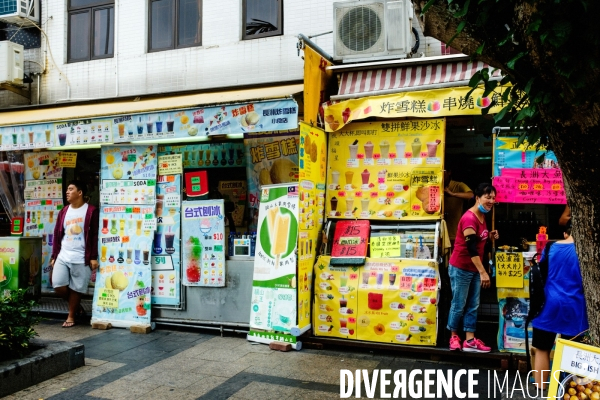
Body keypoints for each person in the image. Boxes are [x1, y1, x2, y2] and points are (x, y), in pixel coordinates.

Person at [532, 221, 588, 388]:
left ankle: (541, 389)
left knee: (542, 349)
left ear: (565, 233)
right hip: (575, 306)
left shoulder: (551, 247)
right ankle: (568, 391)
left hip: (549, 304)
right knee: (572, 352)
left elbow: (541, 272)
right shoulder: (586, 251)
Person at [447, 183, 499, 352]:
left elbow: (477, 238)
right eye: (487, 197)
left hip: (474, 268)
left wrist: (489, 235)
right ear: (477, 198)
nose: (491, 201)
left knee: (473, 304)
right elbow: (471, 248)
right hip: (461, 267)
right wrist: (483, 272)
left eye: (493, 198)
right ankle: (454, 336)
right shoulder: (470, 218)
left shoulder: (482, 216)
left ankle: (469, 340)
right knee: (459, 304)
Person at [50, 180, 99, 328]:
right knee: (58, 284)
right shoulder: (64, 211)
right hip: (64, 254)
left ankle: (71, 316)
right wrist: (54, 255)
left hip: (81, 256)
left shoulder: (91, 211)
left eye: (71, 189)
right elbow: (58, 233)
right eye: (67, 189)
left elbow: (95, 235)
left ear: (80, 192)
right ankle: (76, 306)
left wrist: (92, 257)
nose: (67, 192)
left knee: (77, 288)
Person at [443, 167, 474, 245]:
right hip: (439, 230)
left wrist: (453, 194)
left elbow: (471, 195)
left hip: (454, 231)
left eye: (443, 171)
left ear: (449, 172)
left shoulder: (458, 185)